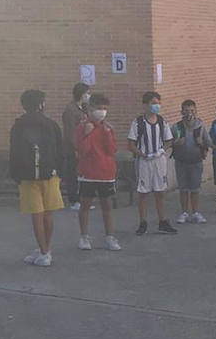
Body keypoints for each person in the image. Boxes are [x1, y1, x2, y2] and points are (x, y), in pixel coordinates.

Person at [9, 88, 65, 266]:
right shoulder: (50, 124)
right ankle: (45, 250)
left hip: (27, 176)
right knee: (48, 214)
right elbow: (60, 150)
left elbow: (14, 151)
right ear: (41, 104)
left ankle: (43, 250)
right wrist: (60, 171)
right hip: (50, 174)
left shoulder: (18, 125)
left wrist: (15, 174)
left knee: (36, 215)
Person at [73, 92, 121, 251]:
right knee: (85, 204)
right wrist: (87, 133)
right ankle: (84, 237)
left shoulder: (107, 128)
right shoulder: (82, 127)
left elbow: (111, 150)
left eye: (105, 109)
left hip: (106, 173)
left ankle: (109, 236)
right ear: (91, 108)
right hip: (88, 172)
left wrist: (107, 133)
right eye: (99, 108)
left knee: (106, 205)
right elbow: (82, 150)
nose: (102, 111)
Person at [128, 91, 177, 235]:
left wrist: (162, 150)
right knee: (143, 193)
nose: (156, 106)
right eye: (153, 103)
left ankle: (163, 221)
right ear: (145, 105)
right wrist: (142, 154)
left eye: (157, 103)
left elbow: (169, 140)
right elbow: (130, 144)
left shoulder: (162, 121)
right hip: (144, 162)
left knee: (159, 191)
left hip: (159, 161)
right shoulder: (138, 123)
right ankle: (143, 222)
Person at [171, 99, 210, 225]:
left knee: (195, 188)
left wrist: (201, 143)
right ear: (181, 112)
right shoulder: (177, 127)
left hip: (196, 161)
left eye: (192, 110)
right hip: (181, 161)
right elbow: (167, 142)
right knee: (183, 188)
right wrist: (175, 143)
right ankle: (184, 213)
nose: (189, 113)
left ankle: (195, 212)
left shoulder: (200, 126)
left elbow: (208, 142)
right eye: (186, 111)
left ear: (196, 111)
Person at [60, 82, 91, 209]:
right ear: (81, 94)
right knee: (72, 174)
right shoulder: (70, 110)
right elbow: (70, 131)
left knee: (83, 174)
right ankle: (74, 200)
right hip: (73, 148)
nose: (88, 96)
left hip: (84, 146)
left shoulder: (83, 108)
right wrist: (76, 148)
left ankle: (83, 199)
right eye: (87, 93)